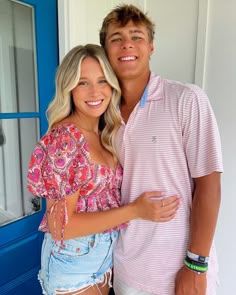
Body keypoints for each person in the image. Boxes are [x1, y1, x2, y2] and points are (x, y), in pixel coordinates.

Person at [27, 44, 180, 295]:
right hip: (73, 262)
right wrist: (135, 210)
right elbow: (61, 226)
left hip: (105, 259)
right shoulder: (65, 139)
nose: (95, 91)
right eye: (83, 82)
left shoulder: (104, 133)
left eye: (102, 81)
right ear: (69, 88)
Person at [99, 4, 223, 295]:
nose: (127, 44)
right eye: (116, 38)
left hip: (181, 271)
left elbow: (209, 186)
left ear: (151, 46)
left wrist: (196, 265)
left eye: (136, 36)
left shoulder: (186, 99)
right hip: (127, 270)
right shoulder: (102, 116)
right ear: (105, 50)